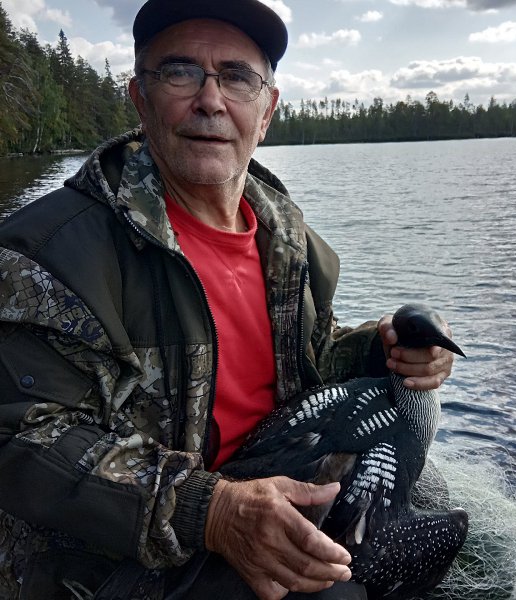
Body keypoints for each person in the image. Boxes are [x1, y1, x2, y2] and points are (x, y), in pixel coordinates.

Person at [0, 1, 455, 599]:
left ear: (266, 111)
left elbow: (307, 360)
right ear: (140, 98)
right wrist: (211, 510)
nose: (210, 100)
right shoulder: (47, 254)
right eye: (180, 72)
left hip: (265, 487)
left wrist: (387, 349)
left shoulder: (290, 243)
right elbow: (23, 438)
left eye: (237, 77)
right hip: (107, 565)